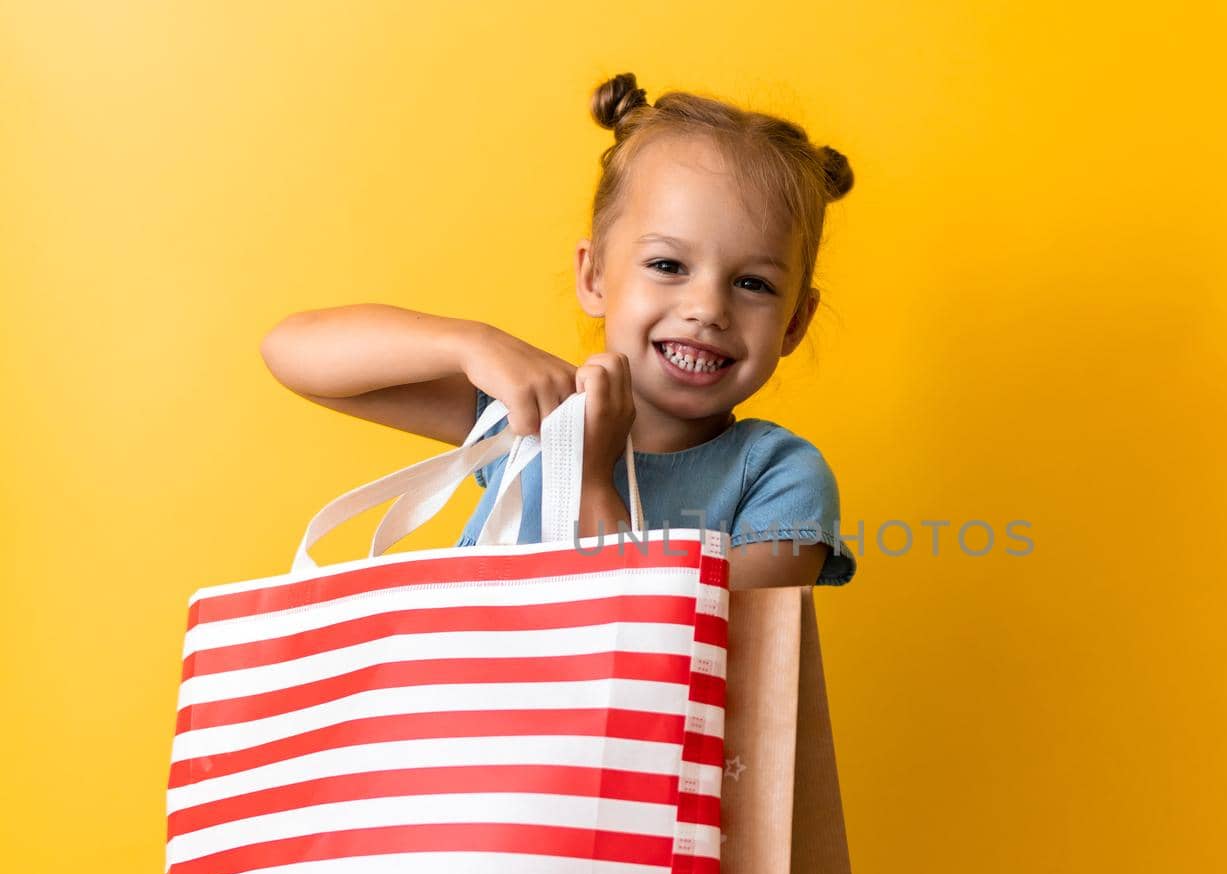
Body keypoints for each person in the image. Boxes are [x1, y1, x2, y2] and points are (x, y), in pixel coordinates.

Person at [260, 72, 857, 589]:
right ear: (595, 276)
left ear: (795, 322)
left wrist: (590, 480)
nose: (707, 309)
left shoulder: (780, 480)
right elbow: (292, 353)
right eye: (668, 266)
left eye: (753, 284)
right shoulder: (542, 413)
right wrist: (471, 343)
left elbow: (684, 658)